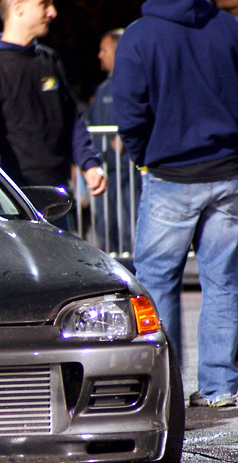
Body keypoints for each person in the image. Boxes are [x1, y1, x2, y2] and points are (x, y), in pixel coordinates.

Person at [112, 0, 238, 408]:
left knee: (157, 280)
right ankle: (221, 386)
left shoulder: (140, 35)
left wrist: (144, 156)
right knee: (223, 282)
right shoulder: (228, 27)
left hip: (171, 175)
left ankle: (165, 389)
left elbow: (129, 109)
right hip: (228, 171)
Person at [0, 0, 106, 231]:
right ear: (18, 8)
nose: (53, 12)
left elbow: (71, 118)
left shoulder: (49, 59)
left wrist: (89, 164)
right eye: (43, 4)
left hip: (57, 197)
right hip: (14, 204)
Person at [87, 28, 140, 255]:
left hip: (127, 173)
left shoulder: (135, 84)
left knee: (129, 226)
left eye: (104, 50)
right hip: (104, 172)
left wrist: (122, 138)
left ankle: (132, 270)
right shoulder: (103, 90)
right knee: (106, 228)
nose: (100, 55)